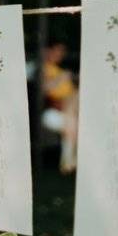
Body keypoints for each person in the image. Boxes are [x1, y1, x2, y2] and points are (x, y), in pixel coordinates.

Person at [41, 43, 78, 173]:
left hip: (69, 111)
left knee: (72, 124)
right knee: (72, 124)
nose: (60, 55)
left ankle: (68, 163)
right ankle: (68, 163)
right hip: (53, 111)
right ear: (47, 50)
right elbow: (45, 89)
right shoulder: (43, 68)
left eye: (62, 53)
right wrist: (61, 78)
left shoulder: (59, 70)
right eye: (57, 51)